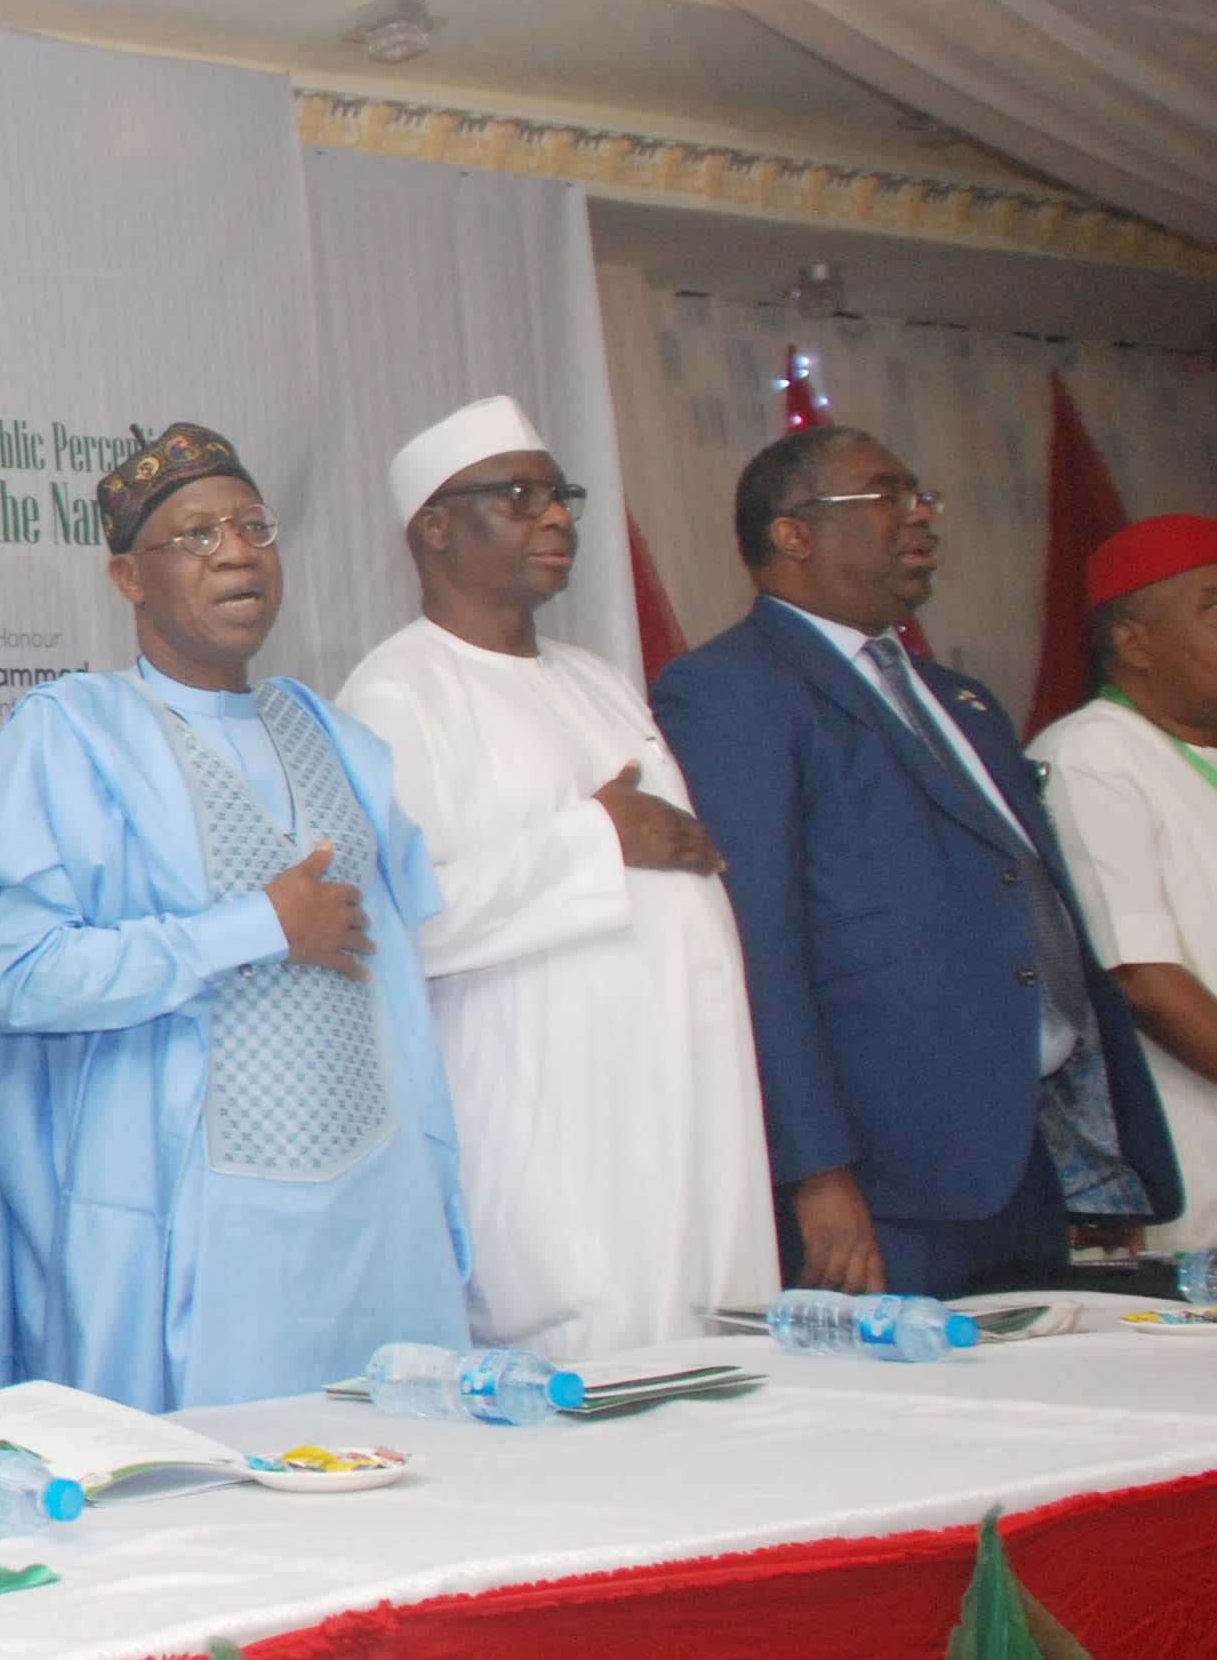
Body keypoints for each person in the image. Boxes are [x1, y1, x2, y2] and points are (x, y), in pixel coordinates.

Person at [0, 422, 470, 1410]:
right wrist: (253, 928)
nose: (237, 551)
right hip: (195, 1234)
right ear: (127, 577)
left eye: (252, 525)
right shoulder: (71, 736)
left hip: (378, 1225)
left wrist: (437, 1193)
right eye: (197, 535)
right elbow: (22, 979)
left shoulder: (336, 739)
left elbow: (399, 1002)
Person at [656, 431, 1180, 1298]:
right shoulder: (731, 688)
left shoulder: (959, 699)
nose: (919, 516)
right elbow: (759, 947)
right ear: (793, 534)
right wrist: (818, 1176)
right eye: (885, 497)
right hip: (882, 1184)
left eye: (919, 494)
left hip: (1019, 1157)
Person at [338, 399, 774, 1359]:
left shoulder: (598, 678)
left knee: (724, 1367)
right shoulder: (397, 692)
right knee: (597, 1373)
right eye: (519, 496)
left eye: (560, 495)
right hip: (548, 1122)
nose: (557, 519)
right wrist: (597, 836)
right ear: (436, 529)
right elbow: (411, 918)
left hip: (685, 1098)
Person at [1033, 516, 1217, 1255]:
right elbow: (1140, 978)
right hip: (1184, 1180)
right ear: (1134, 643)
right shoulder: (1093, 756)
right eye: (1215, 607)